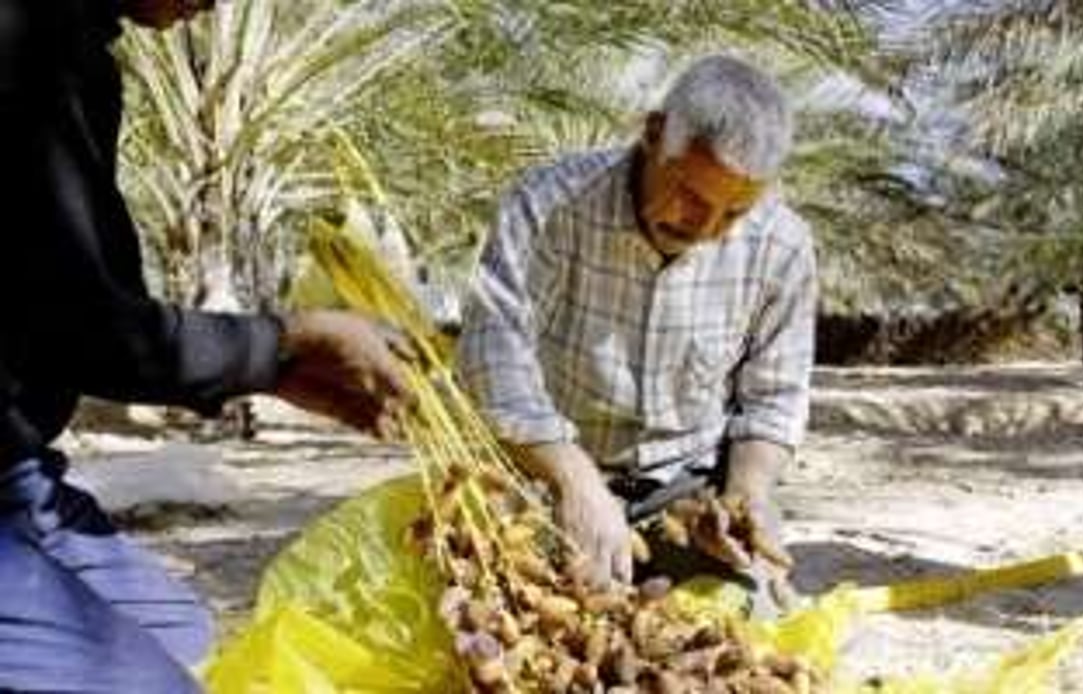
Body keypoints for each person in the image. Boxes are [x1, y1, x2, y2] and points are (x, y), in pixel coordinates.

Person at [0, 1, 414, 691]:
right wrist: (280, 344)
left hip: (17, 475)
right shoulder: (22, 43)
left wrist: (275, 369)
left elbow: (105, 328)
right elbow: (85, 324)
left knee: (192, 643)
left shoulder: (77, 52)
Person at [458, 55, 817, 615]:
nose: (702, 228)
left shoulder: (784, 245)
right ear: (652, 135)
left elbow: (773, 399)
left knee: (756, 625)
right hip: (546, 477)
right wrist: (574, 482)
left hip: (688, 491)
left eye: (731, 214)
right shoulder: (548, 206)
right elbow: (493, 361)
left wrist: (745, 498)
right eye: (691, 195)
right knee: (492, 621)